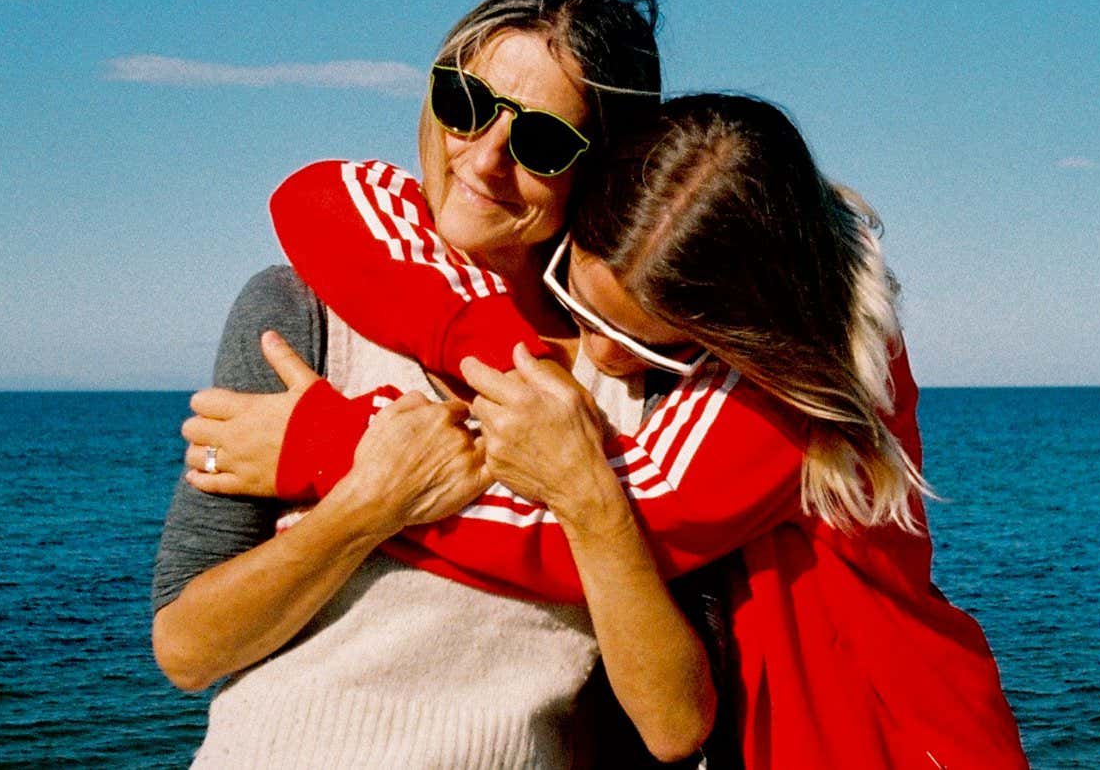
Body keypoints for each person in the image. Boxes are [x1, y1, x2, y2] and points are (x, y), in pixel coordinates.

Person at [183, 95, 1028, 767]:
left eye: (632, 341)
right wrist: (501, 352)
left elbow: (592, 517)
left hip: (882, 744)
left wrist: (329, 449)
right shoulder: (681, 251)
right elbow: (322, 194)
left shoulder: (795, 395)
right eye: (576, 300)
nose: (591, 353)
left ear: (740, 334)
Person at [152, 0, 721, 767]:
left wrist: (587, 491)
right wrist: (368, 504)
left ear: (607, 168)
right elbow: (185, 648)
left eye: (541, 142)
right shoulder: (298, 310)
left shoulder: (640, 372)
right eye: (466, 105)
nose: (483, 159)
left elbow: (674, 724)